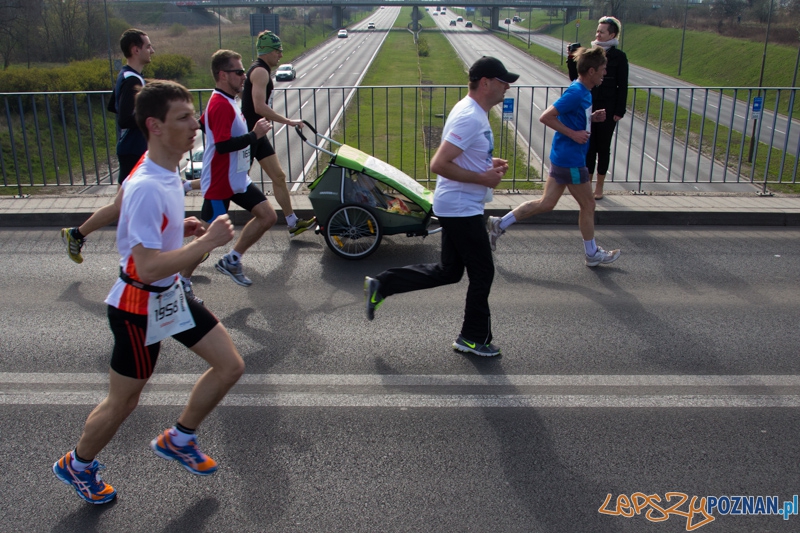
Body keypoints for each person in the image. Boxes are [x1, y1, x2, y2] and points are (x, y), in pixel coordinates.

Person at [52, 80, 243, 505]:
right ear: (155, 126)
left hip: (168, 294)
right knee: (123, 402)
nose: (196, 125)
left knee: (230, 366)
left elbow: (150, 241)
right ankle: (77, 465)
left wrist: (178, 230)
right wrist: (205, 242)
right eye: (184, 118)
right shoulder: (146, 187)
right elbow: (147, 266)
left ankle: (180, 438)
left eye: (193, 115)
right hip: (137, 305)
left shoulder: (165, 168)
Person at [364, 56, 518, 357]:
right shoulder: (470, 116)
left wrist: (487, 163)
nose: (507, 87)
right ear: (485, 83)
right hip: (461, 208)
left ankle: (383, 284)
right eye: (503, 82)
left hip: (460, 205)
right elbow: (439, 163)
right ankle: (473, 338)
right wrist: (482, 177)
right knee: (483, 272)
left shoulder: (474, 111)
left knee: (449, 271)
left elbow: (461, 155)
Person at [487, 47, 620, 268]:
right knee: (588, 205)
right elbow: (546, 117)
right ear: (591, 71)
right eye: (603, 69)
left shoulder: (583, 91)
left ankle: (499, 224)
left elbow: (572, 117)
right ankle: (592, 253)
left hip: (563, 156)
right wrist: (574, 134)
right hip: (572, 159)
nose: (604, 74)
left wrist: (591, 119)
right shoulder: (577, 92)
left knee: (546, 203)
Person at [60, 29, 161, 264]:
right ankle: (153, 256)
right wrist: (152, 118)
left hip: (133, 149)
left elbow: (112, 105)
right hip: (134, 150)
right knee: (128, 204)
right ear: (135, 49)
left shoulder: (127, 75)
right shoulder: (132, 79)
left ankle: (78, 235)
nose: (152, 50)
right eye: (148, 46)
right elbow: (124, 118)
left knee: (128, 204)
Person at [179, 50, 273, 289]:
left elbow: (203, 123)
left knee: (268, 216)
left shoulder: (227, 100)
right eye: (239, 72)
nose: (244, 76)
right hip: (220, 184)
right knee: (208, 239)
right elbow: (222, 146)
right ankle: (181, 280)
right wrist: (254, 135)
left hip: (237, 180)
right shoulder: (220, 104)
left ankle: (232, 260)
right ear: (223, 75)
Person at [241, 30, 315, 237]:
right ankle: (188, 189)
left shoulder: (262, 70)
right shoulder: (260, 71)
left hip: (258, 134)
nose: (281, 55)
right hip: (249, 134)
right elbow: (259, 106)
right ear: (266, 51)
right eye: (277, 51)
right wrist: (289, 121)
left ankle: (293, 223)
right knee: (233, 182)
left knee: (279, 177)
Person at [567, 16, 628, 200]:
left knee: (603, 147)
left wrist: (619, 110)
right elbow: (575, 78)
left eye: (602, 32)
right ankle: (588, 185)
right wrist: (571, 58)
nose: (598, 35)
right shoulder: (591, 54)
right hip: (589, 105)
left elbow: (623, 85)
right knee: (589, 147)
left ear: (612, 34)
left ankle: (599, 187)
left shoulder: (619, 57)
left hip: (609, 108)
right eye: (597, 31)